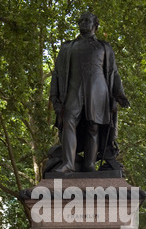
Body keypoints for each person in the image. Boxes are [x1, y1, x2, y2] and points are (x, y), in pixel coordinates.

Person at [49, 12, 130, 174]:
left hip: (98, 91)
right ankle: (68, 163)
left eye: (87, 20)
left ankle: (89, 164)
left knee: (94, 127)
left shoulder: (104, 47)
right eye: (81, 21)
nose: (83, 23)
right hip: (73, 89)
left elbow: (113, 72)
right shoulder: (67, 47)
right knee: (68, 122)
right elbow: (57, 73)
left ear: (95, 25)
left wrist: (119, 94)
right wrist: (55, 98)